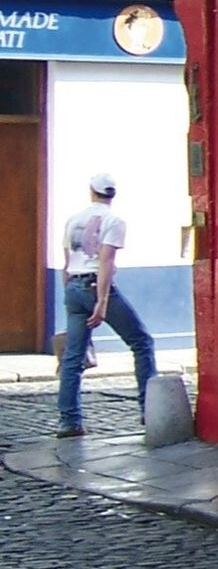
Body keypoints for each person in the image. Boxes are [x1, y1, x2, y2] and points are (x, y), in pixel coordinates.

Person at [56, 172, 156, 439]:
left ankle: (69, 421)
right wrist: (101, 301)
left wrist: (69, 292)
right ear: (113, 195)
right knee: (141, 342)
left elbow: (67, 263)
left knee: (73, 357)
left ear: (91, 191)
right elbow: (105, 262)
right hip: (96, 287)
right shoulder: (114, 221)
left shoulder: (72, 221)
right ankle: (151, 411)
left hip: (74, 286)